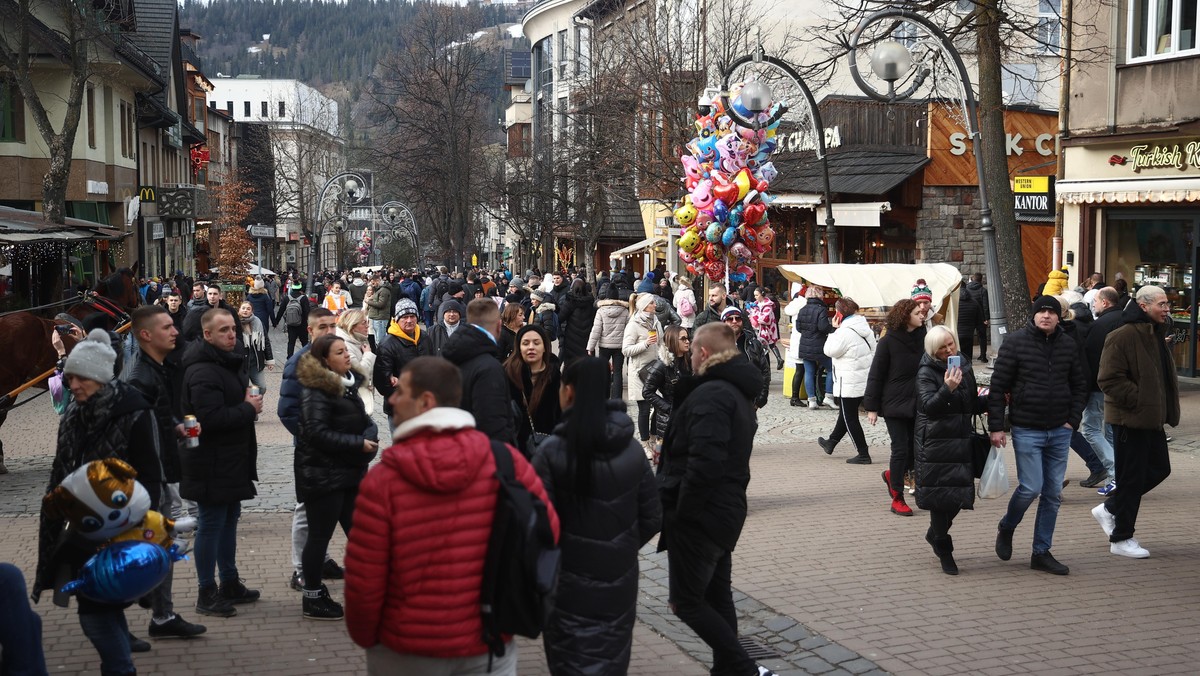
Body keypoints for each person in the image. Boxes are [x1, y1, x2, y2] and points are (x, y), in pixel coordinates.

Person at [343, 357, 558, 674]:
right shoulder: (505, 461)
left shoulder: (384, 480)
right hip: (488, 643)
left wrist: (366, 637)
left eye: (400, 391)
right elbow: (547, 533)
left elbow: (365, 579)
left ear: (425, 402)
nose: (390, 399)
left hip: (405, 650)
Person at [33, 328, 166, 672]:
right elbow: (60, 470)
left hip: (121, 526)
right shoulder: (74, 413)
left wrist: (141, 530)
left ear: (101, 377)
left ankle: (120, 668)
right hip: (83, 527)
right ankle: (121, 661)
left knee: (94, 611)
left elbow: (152, 477)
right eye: (70, 377)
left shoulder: (134, 410)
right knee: (101, 603)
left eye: (81, 378)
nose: (73, 385)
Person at [532, 357, 661, 675]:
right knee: (611, 656)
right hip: (618, 576)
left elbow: (535, 523)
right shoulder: (630, 450)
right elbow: (653, 515)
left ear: (570, 392)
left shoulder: (551, 453)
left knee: (569, 659)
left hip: (566, 578)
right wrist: (622, 544)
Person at [657, 323, 772, 676]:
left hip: (704, 514)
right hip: (722, 509)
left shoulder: (713, 394)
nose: (689, 356)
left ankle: (743, 667)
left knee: (687, 602)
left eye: (692, 351)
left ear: (703, 354)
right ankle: (730, 670)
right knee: (717, 596)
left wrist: (685, 513)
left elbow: (705, 463)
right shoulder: (730, 391)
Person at [122, 306, 208, 639]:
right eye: (167, 327)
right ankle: (122, 615)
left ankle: (162, 614)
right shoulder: (139, 378)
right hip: (147, 479)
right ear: (145, 335)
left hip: (157, 473)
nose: (176, 332)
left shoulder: (156, 369)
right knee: (148, 549)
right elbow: (132, 435)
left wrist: (175, 428)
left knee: (161, 545)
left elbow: (154, 422)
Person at [988, 295, 1087, 576]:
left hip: (1060, 429)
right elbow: (998, 387)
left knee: (1052, 493)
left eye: (1051, 312)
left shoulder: (1068, 344)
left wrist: (1072, 420)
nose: (1046, 315)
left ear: (1059, 317)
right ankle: (1007, 526)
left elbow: (1080, 384)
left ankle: (1040, 552)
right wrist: (997, 427)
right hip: (1027, 428)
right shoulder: (1016, 343)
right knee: (1031, 487)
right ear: (1033, 315)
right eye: (1041, 311)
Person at [180, 309, 263, 615]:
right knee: (211, 524)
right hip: (210, 460)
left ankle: (229, 581)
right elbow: (208, 418)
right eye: (224, 330)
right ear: (208, 335)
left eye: (233, 329)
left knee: (229, 519)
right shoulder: (202, 370)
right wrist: (247, 408)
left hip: (231, 457)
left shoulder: (228, 361)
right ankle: (206, 591)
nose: (232, 334)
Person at [295, 334, 379, 619]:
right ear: (325, 360)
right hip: (323, 475)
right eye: (340, 352)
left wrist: (369, 434)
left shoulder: (348, 385)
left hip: (350, 473)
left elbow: (365, 419)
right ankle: (313, 596)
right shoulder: (316, 389)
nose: (347, 356)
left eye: (346, 351)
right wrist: (357, 444)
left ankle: (371, 590)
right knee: (319, 537)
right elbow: (315, 433)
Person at [1093, 285, 1178, 559]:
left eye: (1167, 304)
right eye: (1162, 304)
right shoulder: (1122, 335)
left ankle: (1110, 508)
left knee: (1159, 469)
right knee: (1131, 479)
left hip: (1151, 419)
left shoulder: (1154, 332)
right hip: (1130, 420)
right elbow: (1108, 379)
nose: (1167, 309)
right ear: (1144, 306)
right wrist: (1140, 400)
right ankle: (1121, 538)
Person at [278, 309, 345, 592]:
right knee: (306, 510)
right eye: (322, 327)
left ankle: (322, 559)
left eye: (333, 326)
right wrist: (314, 438)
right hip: (312, 452)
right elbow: (287, 410)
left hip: (336, 449)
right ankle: (299, 570)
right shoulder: (300, 361)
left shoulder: (335, 358)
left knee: (328, 510)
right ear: (310, 331)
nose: (329, 331)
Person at [914, 326, 986, 575]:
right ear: (933, 351)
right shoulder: (926, 371)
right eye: (942, 348)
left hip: (961, 438)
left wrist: (993, 398)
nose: (948, 350)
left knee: (957, 496)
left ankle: (935, 535)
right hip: (935, 442)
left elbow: (971, 403)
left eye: (950, 344)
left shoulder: (963, 365)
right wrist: (947, 388)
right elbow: (927, 407)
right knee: (940, 498)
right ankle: (944, 549)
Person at [864, 299, 927, 515]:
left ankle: (893, 475)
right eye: (918, 312)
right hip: (894, 403)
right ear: (905, 315)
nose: (922, 315)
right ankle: (897, 496)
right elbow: (876, 375)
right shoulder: (888, 340)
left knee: (914, 449)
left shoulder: (924, 337)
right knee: (900, 448)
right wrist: (871, 407)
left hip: (918, 402)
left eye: (923, 312)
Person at [440, 298, 516, 445]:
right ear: (499, 326)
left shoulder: (450, 355)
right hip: (480, 454)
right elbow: (493, 425)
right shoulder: (489, 368)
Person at [818, 298, 877, 464]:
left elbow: (829, 350)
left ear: (839, 313)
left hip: (848, 381)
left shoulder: (844, 332)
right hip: (861, 377)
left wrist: (833, 331)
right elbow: (873, 350)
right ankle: (831, 442)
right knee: (846, 414)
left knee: (850, 417)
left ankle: (863, 453)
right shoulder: (865, 328)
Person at [1081, 286, 1121, 493]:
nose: (1093, 305)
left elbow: (1092, 358)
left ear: (1105, 302)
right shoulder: (1125, 319)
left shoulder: (1100, 325)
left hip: (1100, 386)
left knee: (1090, 429)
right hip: (1119, 385)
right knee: (1111, 431)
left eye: (1096, 301)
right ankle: (1117, 476)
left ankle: (1116, 473)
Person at [373, 298, 434, 426]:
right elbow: (382, 382)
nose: (409, 320)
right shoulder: (387, 344)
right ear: (396, 319)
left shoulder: (424, 337)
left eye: (412, 316)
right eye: (404, 317)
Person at [504, 325, 562, 456]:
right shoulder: (507, 374)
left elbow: (561, 413)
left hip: (548, 448)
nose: (531, 347)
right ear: (519, 347)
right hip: (515, 449)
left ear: (545, 347)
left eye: (536, 343)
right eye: (525, 343)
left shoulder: (554, 375)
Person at [642, 325, 692, 464]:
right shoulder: (662, 365)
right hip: (667, 423)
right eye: (683, 339)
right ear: (672, 340)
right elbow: (647, 392)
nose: (687, 341)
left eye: (688, 338)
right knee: (664, 466)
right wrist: (668, 408)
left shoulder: (690, 360)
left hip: (688, 418)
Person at [622, 293, 663, 453]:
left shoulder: (656, 321)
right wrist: (645, 344)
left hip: (656, 371)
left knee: (658, 407)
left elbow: (661, 342)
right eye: (652, 302)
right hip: (639, 373)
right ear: (645, 306)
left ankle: (653, 438)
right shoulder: (633, 324)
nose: (655, 304)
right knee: (644, 409)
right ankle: (645, 444)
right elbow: (626, 350)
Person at [721, 307, 771, 409]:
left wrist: (760, 400)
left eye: (738, 318)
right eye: (730, 319)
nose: (734, 322)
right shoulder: (715, 344)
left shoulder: (754, 343)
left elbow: (764, 371)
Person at [588, 284, 630, 400]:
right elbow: (628, 330)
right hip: (620, 346)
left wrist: (590, 347)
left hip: (604, 346)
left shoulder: (601, 311)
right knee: (617, 372)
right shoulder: (625, 311)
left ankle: (603, 396)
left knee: (602, 371)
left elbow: (596, 330)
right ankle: (616, 399)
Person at [795, 286, 834, 409]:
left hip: (805, 344)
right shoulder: (821, 309)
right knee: (831, 369)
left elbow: (798, 328)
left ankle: (811, 400)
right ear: (819, 295)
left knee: (809, 372)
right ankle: (828, 396)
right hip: (819, 345)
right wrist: (833, 328)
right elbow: (823, 327)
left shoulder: (802, 309)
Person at [236, 301, 274, 395]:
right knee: (241, 389)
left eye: (248, 309)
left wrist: (269, 359)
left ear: (252, 311)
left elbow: (266, 341)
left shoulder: (258, 322)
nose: (245, 310)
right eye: (243, 308)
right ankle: (248, 406)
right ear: (239, 310)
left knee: (261, 388)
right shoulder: (234, 323)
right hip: (240, 364)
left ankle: (253, 400)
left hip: (255, 363)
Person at [558, 278, 596, 365]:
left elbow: (560, 318)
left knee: (571, 364)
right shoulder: (590, 302)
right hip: (587, 337)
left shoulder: (570, 302)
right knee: (587, 363)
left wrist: (560, 333)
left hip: (571, 339)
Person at [747, 287, 784, 370]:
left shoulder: (768, 306)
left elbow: (764, 319)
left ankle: (767, 371)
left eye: (756, 295)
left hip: (766, 331)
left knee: (764, 351)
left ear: (762, 294)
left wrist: (753, 312)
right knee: (766, 349)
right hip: (758, 330)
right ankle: (776, 361)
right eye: (754, 295)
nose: (755, 297)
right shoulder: (756, 304)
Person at [277, 282, 313, 359]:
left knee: (291, 342)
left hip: (291, 324)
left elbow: (281, 310)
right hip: (302, 324)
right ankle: (307, 358)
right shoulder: (303, 298)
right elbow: (307, 312)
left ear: (292, 288)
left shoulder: (287, 298)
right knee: (304, 342)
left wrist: (275, 322)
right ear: (300, 288)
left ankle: (289, 358)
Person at [956, 275, 985, 363]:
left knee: (957, 360)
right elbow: (979, 322)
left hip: (956, 335)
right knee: (968, 359)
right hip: (969, 335)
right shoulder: (974, 302)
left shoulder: (953, 303)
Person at [363, 275, 393, 348]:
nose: (373, 285)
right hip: (377, 317)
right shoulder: (380, 289)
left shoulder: (384, 290)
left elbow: (381, 304)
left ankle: (381, 356)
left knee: (380, 341)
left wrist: (368, 301)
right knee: (377, 340)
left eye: (373, 283)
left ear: (377, 281)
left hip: (380, 318)